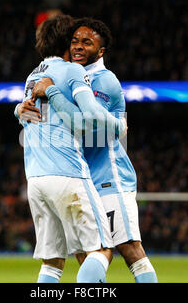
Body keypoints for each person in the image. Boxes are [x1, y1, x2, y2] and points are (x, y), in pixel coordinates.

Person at [23, 17, 158, 283]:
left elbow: (89, 123)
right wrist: (19, 109)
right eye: (75, 41)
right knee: (88, 255)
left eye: (87, 42)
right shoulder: (67, 72)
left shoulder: (103, 80)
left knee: (129, 249)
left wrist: (118, 125)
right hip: (76, 174)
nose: (79, 47)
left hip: (107, 177)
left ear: (101, 50)